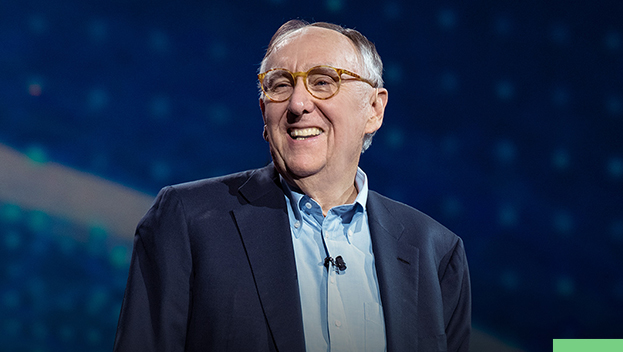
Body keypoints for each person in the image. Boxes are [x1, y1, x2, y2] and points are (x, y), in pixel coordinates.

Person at [113, 20, 471, 352]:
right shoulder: (187, 221)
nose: (298, 104)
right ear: (263, 112)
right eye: (280, 85)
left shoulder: (435, 251)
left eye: (323, 81)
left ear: (374, 110)